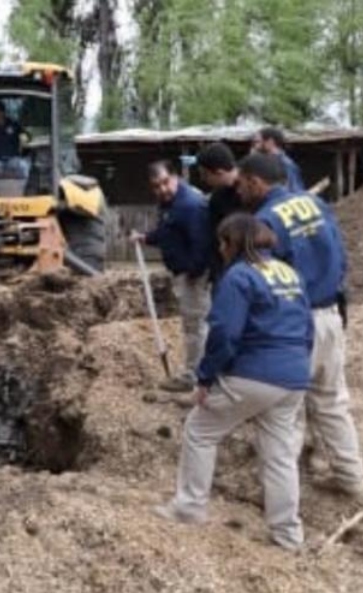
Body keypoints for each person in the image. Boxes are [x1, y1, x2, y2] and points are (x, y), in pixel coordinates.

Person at [155, 213, 314, 551]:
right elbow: (307, 325)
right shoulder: (290, 273)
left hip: (255, 372)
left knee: (200, 430)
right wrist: (299, 367)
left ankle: (189, 507)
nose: (220, 250)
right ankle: (287, 533)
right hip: (295, 376)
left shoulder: (240, 277)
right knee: (280, 455)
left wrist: (206, 378)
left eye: (222, 243)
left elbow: (225, 333)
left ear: (232, 244)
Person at [237, 152, 363, 497]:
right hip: (330, 314)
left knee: (284, 409)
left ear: (255, 181)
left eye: (241, 185)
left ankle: (277, 495)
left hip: (295, 323)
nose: (239, 193)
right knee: (332, 400)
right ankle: (351, 478)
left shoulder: (264, 221)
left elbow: (267, 282)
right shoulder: (317, 205)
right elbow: (341, 254)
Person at [130, 160, 211, 392]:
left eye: (166, 182)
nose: (162, 189)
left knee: (196, 327)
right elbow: (168, 232)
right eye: (156, 186)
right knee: (193, 326)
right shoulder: (171, 204)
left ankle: (195, 378)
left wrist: (194, 273)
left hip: (195, 276)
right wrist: (146, 238)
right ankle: (199, 373)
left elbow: (202, 244)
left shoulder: (189, 205)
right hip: (186, 274)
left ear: (175, 177)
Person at [196, 142, 242, 285]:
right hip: (226, 269)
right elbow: (213, 236)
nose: (203, 180)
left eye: (205, 175)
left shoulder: (252, 191)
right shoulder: (217, 197)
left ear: (219, 173)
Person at [0, 101, 29, 179]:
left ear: (2, 113)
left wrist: (24, 138)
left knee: (23, 166)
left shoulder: (13, 125)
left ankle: (22, 190)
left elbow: (26, 136)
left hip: (13, 159)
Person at [253, 126, 305, 192]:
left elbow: (294, 191)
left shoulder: (285, 164)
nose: (254, 146)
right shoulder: (265, 162)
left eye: (257, 142)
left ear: (270, 142)